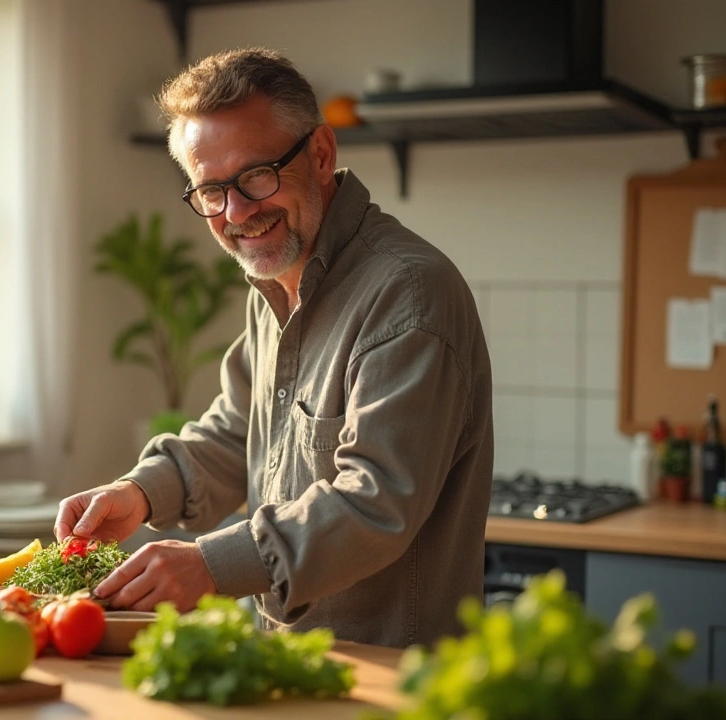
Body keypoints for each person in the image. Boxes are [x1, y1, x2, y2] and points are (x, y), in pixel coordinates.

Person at [55, 48, 493, 648]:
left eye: (256, 176)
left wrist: (208, 565)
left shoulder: (408, 294)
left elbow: (375, 502)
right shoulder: (278, 285)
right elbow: (236, 433)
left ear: (320, 154)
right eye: (211, 190)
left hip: (394, 681)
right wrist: (138, 492)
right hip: (293, 665)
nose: (237, 212)